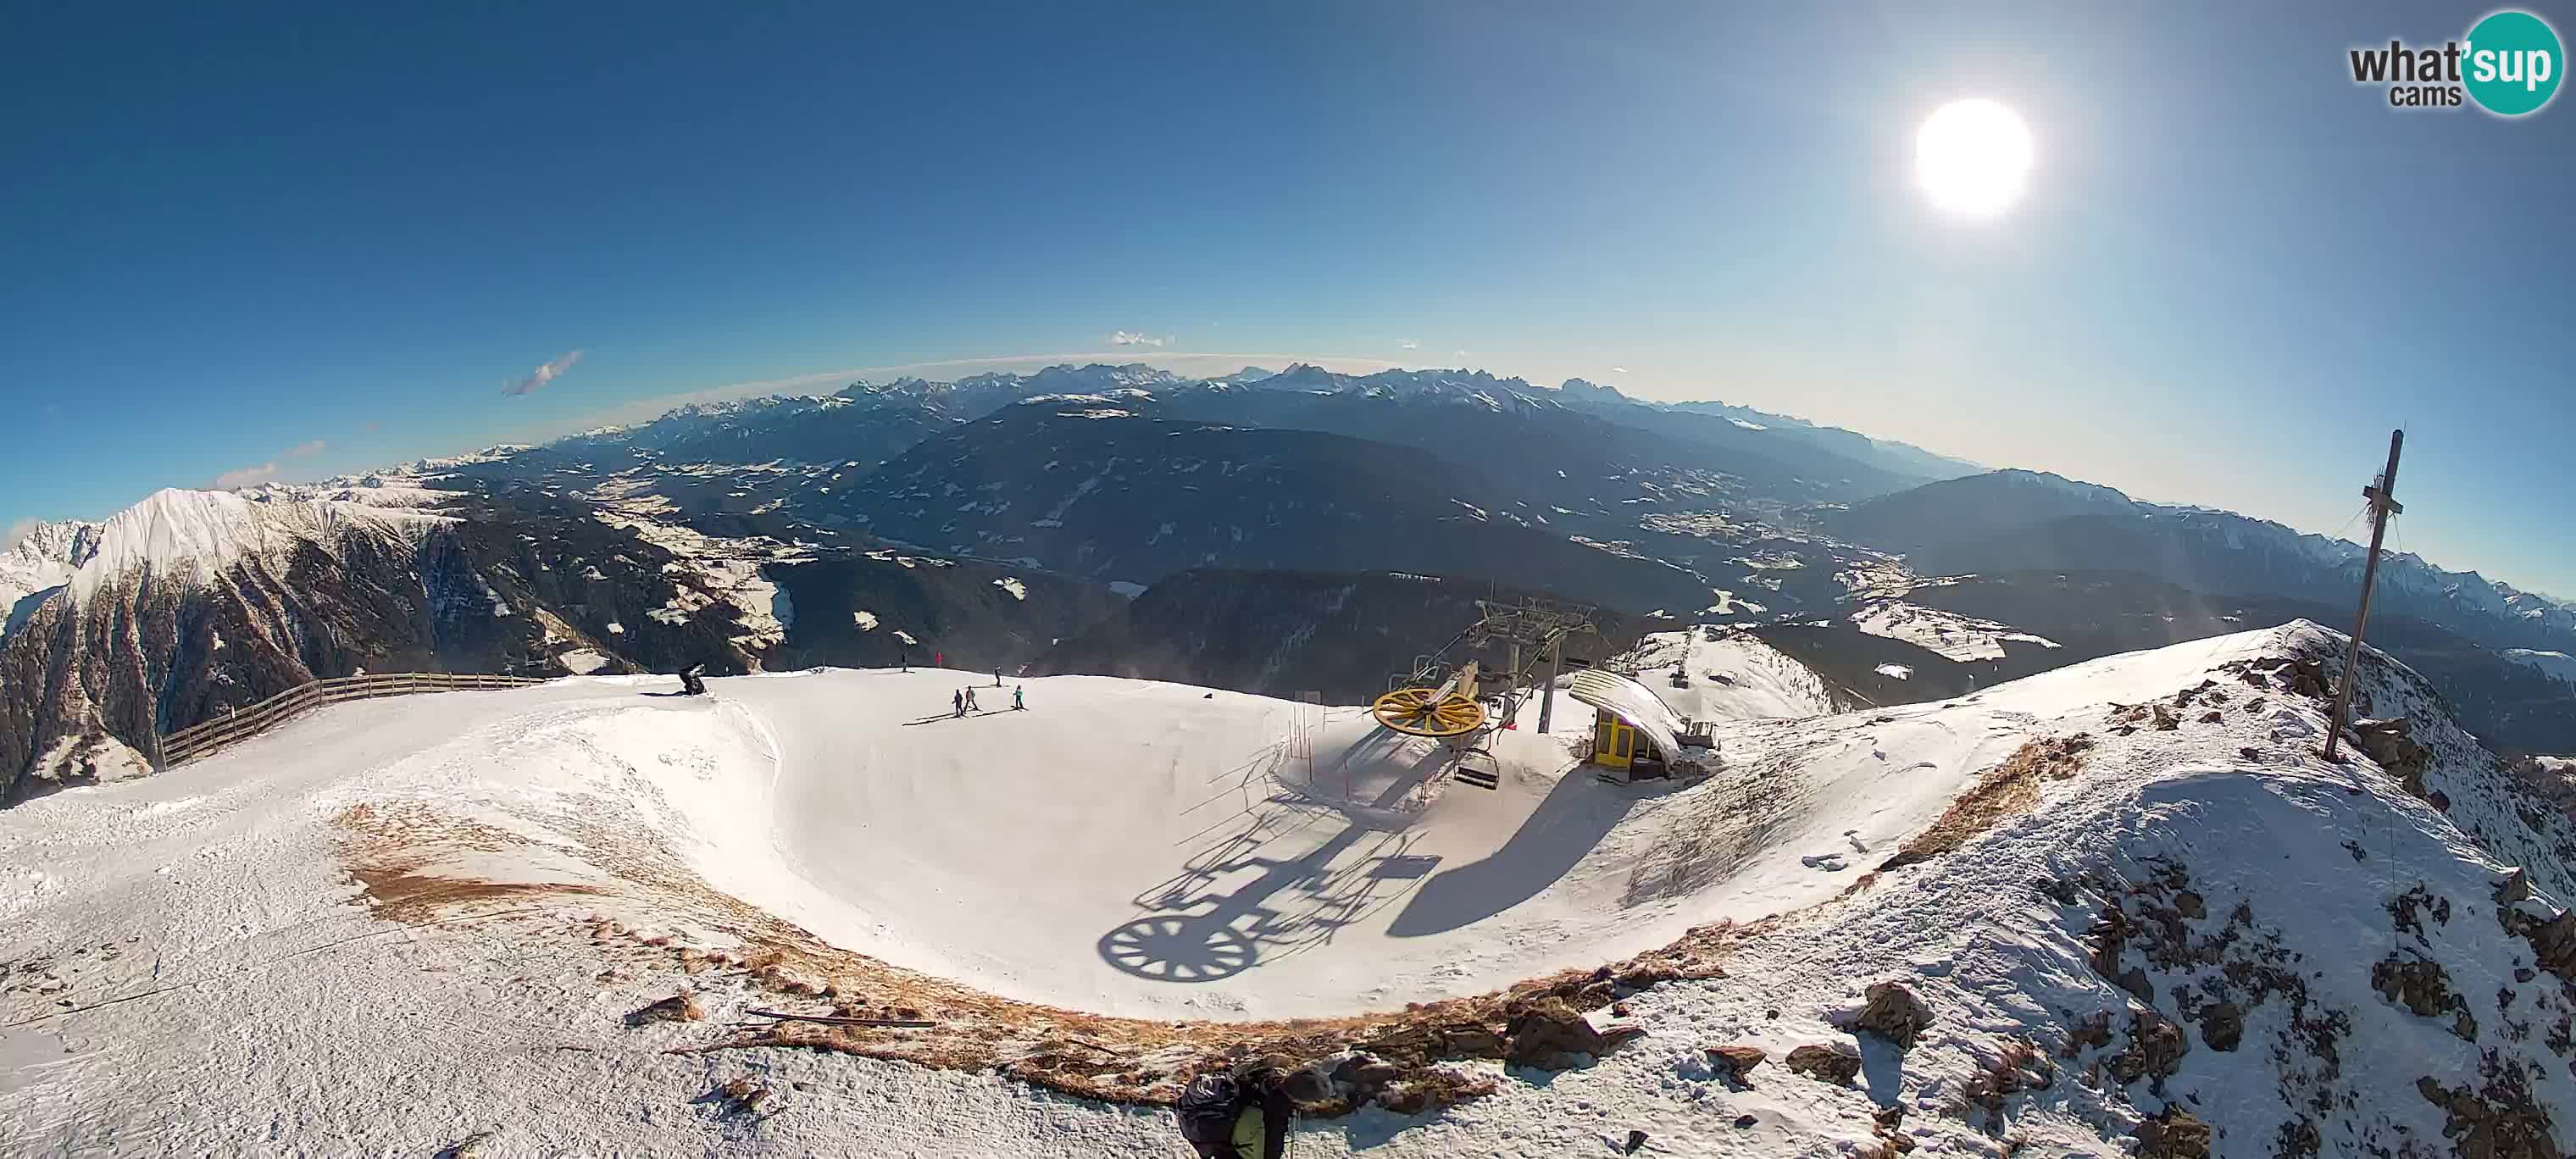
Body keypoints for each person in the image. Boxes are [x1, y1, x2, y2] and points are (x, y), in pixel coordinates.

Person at [1176, 1058, 1326, 1159]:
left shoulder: (1266, 1073)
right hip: (1226, 1144)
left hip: (1207, 1121)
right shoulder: (1273, 1119)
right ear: (1302, 1098)